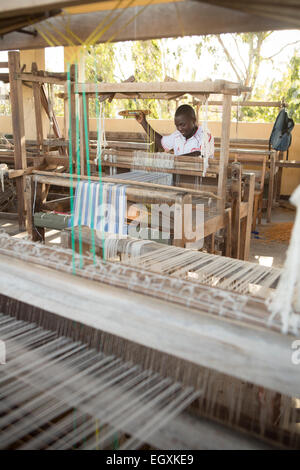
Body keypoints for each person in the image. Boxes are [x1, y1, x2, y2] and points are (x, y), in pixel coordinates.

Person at [135, 104, 214, 157]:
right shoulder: (177, 135)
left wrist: (175, 160)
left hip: (200, 179)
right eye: (177, 126)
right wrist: (143, 123)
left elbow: (200, 154)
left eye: (182, 125)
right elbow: (161, 143)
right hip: (180, 176)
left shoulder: (205, 135)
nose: (179, 129)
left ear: (193, 120)